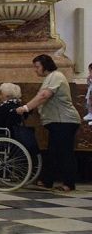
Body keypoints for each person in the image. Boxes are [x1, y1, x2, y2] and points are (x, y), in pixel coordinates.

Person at [16, 54, 81, 192]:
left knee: (64, 152)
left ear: (46, 65)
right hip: (58, 122)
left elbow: (44, 96)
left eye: (37, 66)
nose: (36, 70)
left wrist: (26, 107)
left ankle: (68, 184)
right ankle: (47, 181)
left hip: (64, 121)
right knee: (53, 152)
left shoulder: (55, 76)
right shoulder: (50, 78)